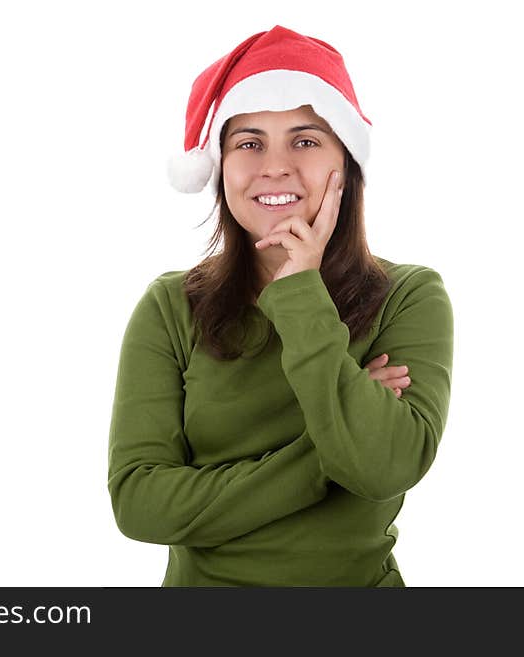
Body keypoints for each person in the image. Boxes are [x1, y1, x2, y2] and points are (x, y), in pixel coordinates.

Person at [107, 25, 454, 586]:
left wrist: (300, 295)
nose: (275, 166)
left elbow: (385, 466)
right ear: (221, 168)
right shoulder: (170, 307)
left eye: (306, 139)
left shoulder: (410, 296)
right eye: (248, 142)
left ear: (347, 163)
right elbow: (141, 504)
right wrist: (325, 448)